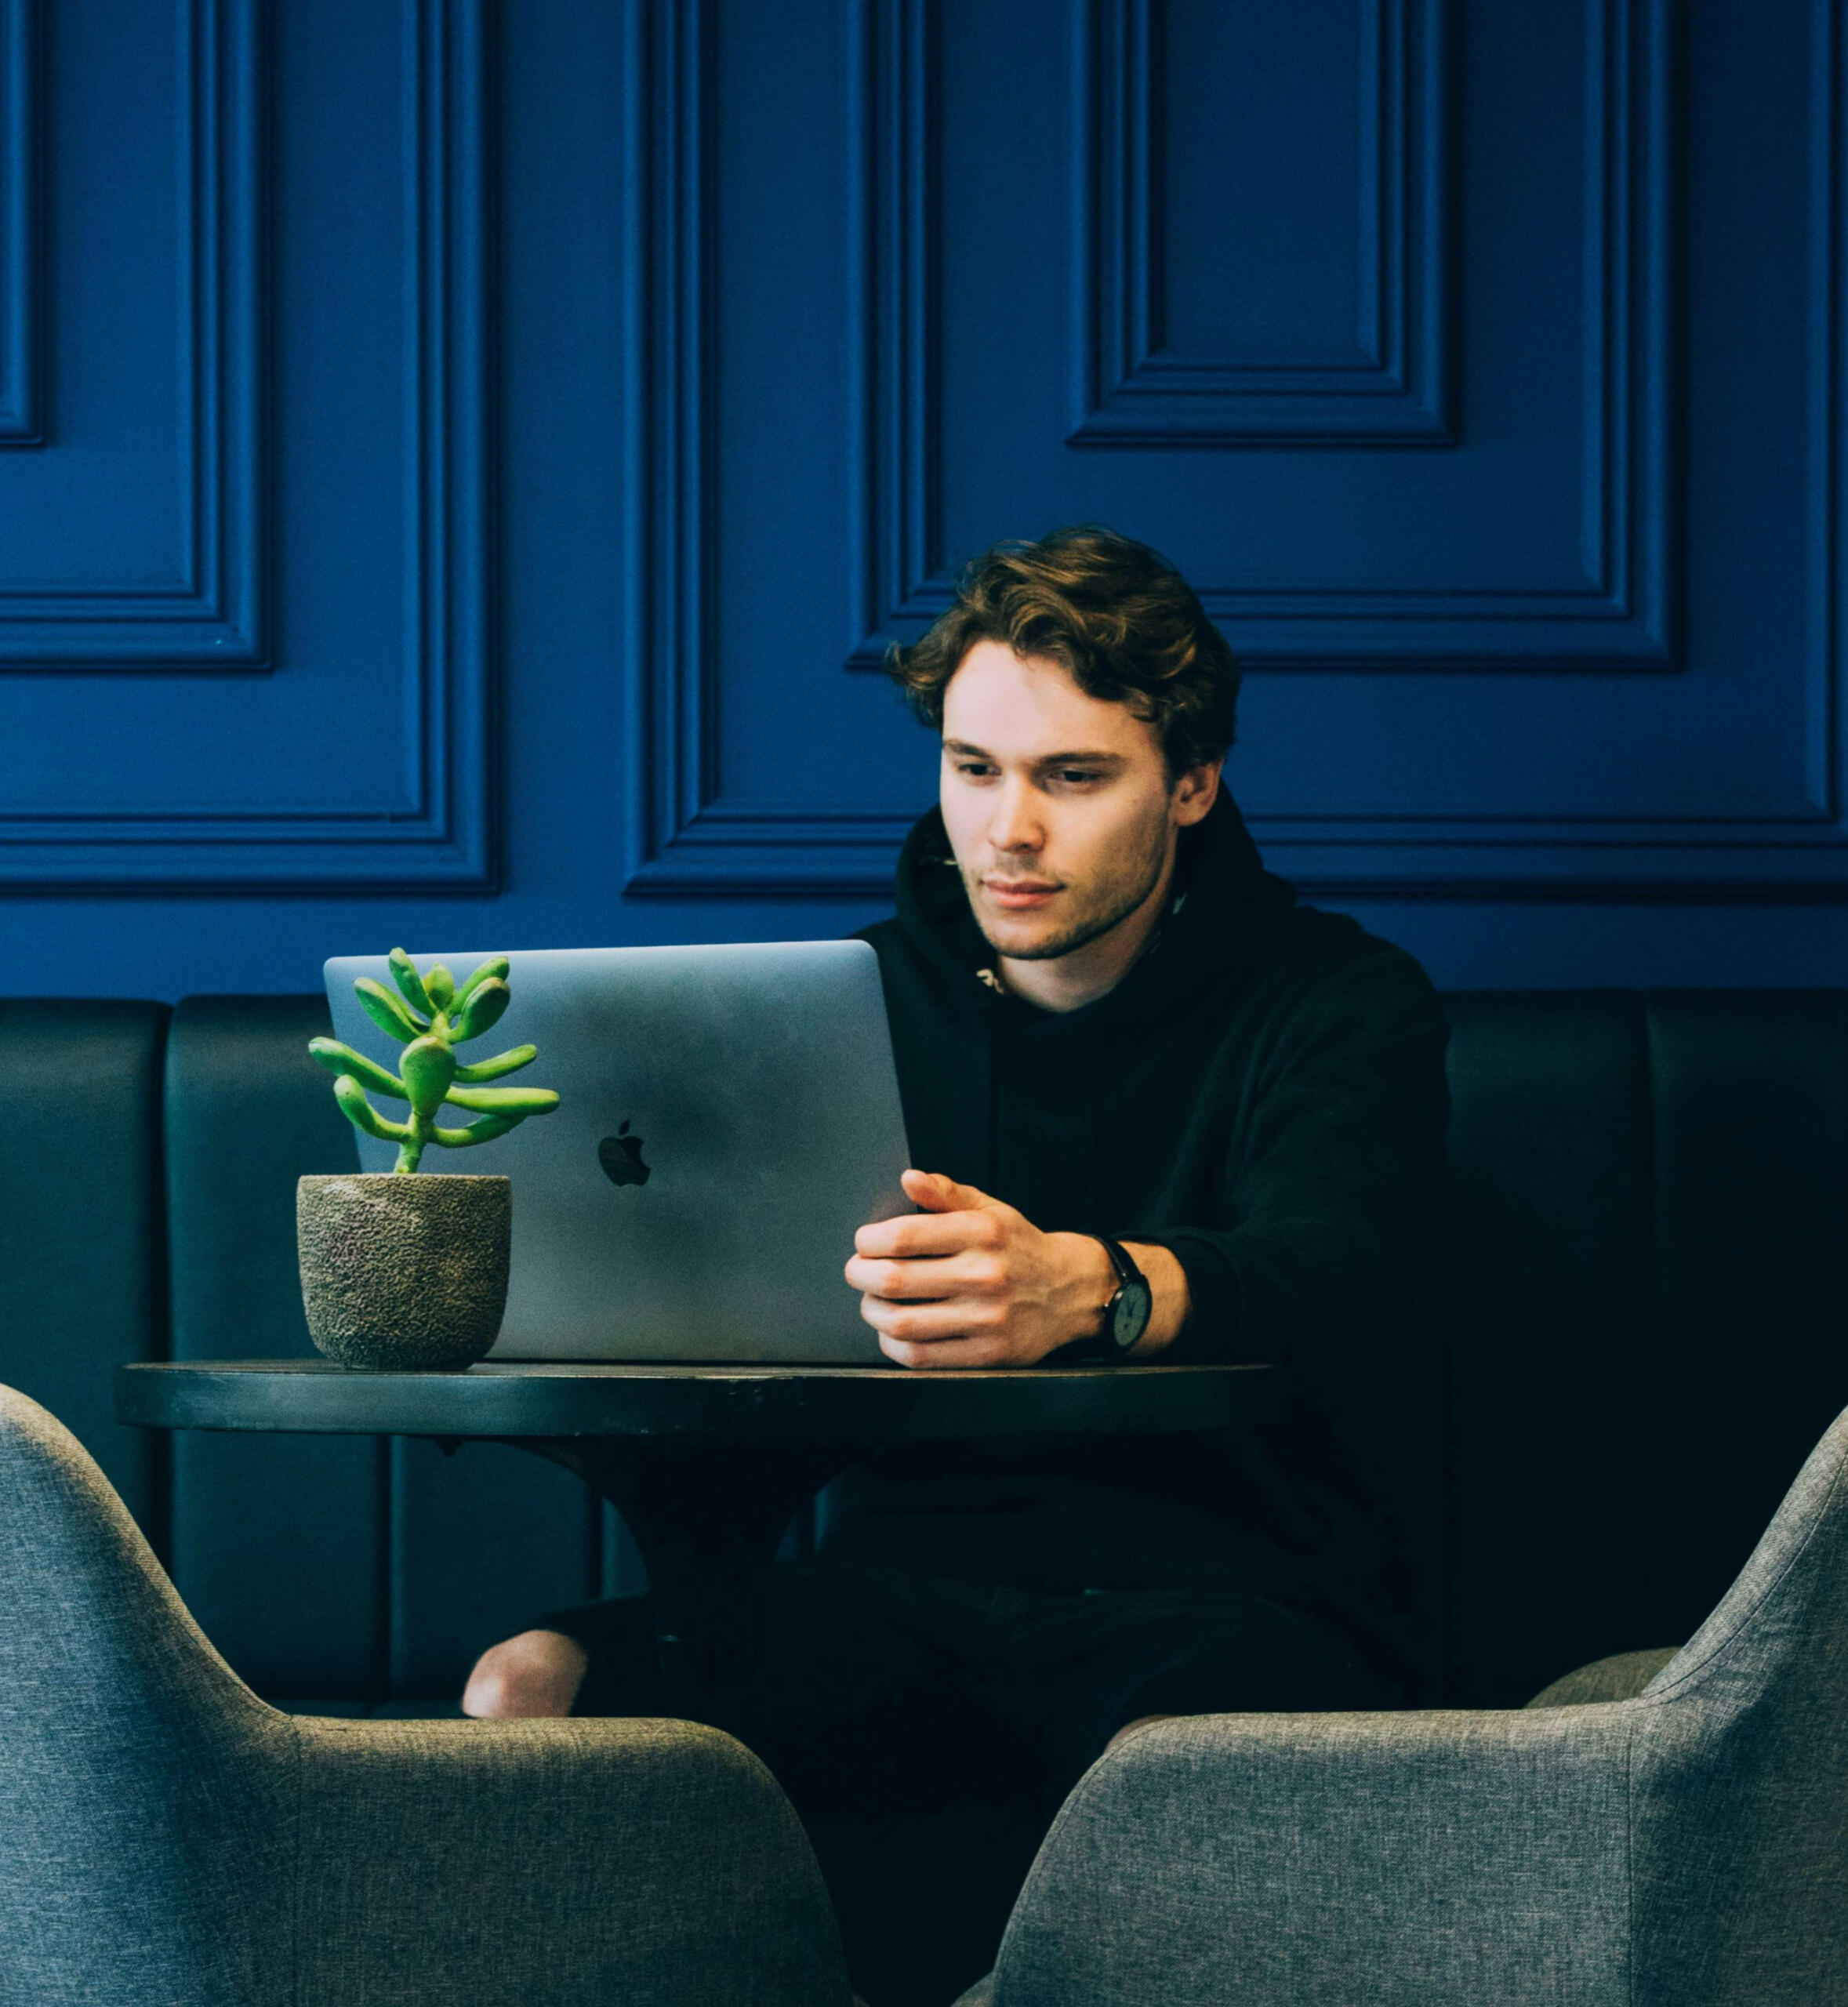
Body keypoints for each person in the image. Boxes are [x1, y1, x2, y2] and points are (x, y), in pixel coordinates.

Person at [461, 520, 1451, 1838]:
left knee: (1186, 1745)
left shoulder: (1333, 997)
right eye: (972, 768)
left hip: (1228, 1593)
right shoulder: (848, 1001)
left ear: (1194, 781)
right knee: (523, 1685)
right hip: (899, 1589)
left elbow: (1346, 1268)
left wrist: (1088, 1286)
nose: (1009, 830)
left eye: (1074, 777)